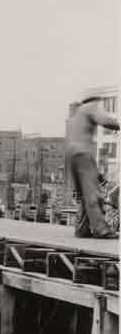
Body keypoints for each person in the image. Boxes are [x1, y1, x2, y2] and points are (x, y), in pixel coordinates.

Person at [66, 96, 120, 239]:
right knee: (93, 195)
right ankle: (101, 230)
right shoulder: (90, 107)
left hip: (72, 155)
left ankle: (82, 229)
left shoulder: (75, 115)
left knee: (84, 195)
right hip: (83, 154)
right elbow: (106, 120)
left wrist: (98, 175)